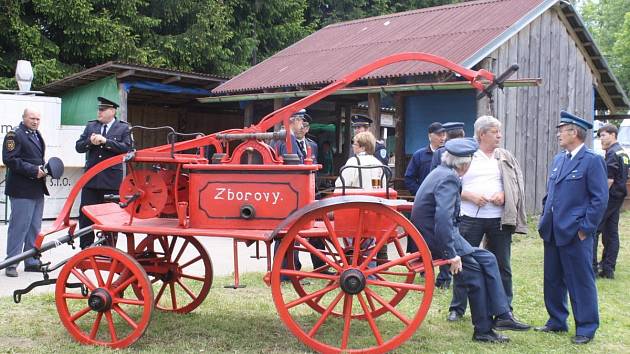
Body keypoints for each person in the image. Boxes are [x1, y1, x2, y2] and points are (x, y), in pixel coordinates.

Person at [411, 138, 530, 343]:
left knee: (488, 259)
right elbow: (442, 220)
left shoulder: (442, 172)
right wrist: (451, 255)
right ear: (464, 164)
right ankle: (485, 329)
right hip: (438, 238)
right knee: (475, 270)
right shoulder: (449, 179)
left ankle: (502, 314)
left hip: (440, 234)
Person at [536, 111, 608, 345]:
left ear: (574, 132)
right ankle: (557, 320)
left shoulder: (592, 160)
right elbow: (551, 193)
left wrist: (585, 228)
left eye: (562, 130)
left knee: (580, 280)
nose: (558, 134)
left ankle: (586, 327)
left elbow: (599, 199)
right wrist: (544, 216)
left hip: (575, 232)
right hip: (553, 230)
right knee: (553, 278)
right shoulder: (560, 159)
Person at [447, 116, 528, 322]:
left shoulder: (504, 157)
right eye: (495, 132)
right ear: (482, 134)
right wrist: (470, 195)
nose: (499, 136)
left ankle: (504, 309)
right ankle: (457, 308)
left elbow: (514, 183)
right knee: (464, 262)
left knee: (502, 265)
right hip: (469, 218)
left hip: (498, 219)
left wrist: (503, 195)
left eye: (499, 132)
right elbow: (451, 184)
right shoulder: (467, 155)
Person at [75, 97, 132, 249]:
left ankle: (108, 248)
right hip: (91, 179)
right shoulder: (91, 126)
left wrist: (106, 141)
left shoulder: (123, 128)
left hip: (111, 180)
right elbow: (78, 147)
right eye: (99, 109)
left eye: (103, 109)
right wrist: (90, 142)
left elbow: (127, 148)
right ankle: (86, 248)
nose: (99, 112)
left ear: (112, 111)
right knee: (86, 214)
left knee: (111, 216)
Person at [2, 108, 48, 277]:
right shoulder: (14, 134)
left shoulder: (36, 134)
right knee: (19, 228)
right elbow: (9, 159)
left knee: (34, 228)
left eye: (37, 119)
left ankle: (31, 261)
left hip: (37, 188)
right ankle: (11, 263)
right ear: (23, 118)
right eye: (32, 118)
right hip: (21, 188)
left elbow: (37, 158)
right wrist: (33, 170)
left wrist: (43, 169)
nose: (35, 121)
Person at [426, 121, 465, 289]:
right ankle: (444, 277)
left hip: (457, 202)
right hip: (450, 200)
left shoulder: (442, 153)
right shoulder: (441, 155)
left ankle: (446, 278)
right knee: (446, 234)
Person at [593, 124, 628, 279]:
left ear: (613, 135)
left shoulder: (613, 153)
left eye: (603, 135)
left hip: (610, 197)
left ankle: (592, 267)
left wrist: (599, 198)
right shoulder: (622, 152)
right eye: (600, 136)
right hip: (618, 197)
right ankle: (608, 269)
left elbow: (609, 180)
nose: (601, 139)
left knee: (594, 230)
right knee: (611, 232)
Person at [404, 122, 446, 196]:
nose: (442, 138)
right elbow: (409, 178)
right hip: (424, 199)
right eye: (439, 135)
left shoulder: (448, 155)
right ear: (430, 136)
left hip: (444, 197)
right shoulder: (419, 155)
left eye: (444, 135)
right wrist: (420, 192)